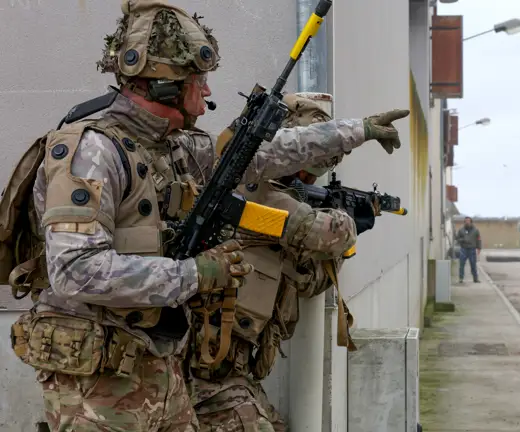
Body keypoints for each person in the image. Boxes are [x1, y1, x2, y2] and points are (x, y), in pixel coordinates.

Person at [6, 2, 409, 430]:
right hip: (96, 386)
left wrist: (355, 130)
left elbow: (264, 155)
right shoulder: (92, 152)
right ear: (164, 84)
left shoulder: (176, 147)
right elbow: (75, 271)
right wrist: (194, 275)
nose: (208, 92)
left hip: (161, 366)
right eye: (199, 80)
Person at [186, 93, 372, 431]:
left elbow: (305, 281)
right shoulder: (250, 190)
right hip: (202, 377)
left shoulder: (271, 201)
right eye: (305, 171)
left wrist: (335, 259)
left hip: (227, 370)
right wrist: (348, 220)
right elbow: (327, 233)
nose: (307, 181)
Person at [455, 216, 482, 283]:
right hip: (463, 249)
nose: (467, 222)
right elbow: (457, 239)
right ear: (464, 222)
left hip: (472, 249)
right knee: (461, 264)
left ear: (471, 222)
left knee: (473, 265)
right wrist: (463, 239)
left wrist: (479, 248)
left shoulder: (475, 230)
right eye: (466, 221)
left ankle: (475, 279)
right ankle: (461, 278)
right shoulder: (461, 230)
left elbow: (478, 239)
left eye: (468, 221)